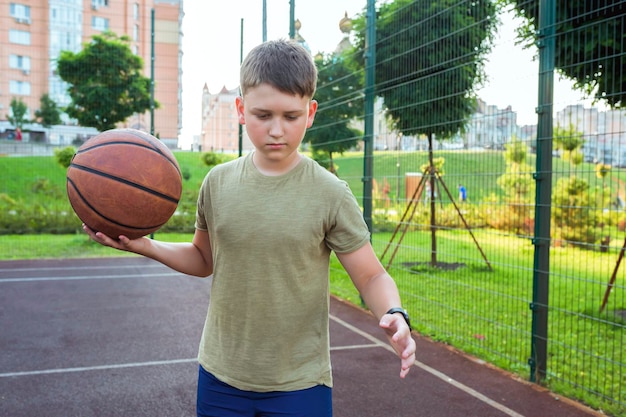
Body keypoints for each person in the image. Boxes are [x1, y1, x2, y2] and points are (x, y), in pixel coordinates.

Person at [83, 39, 415, 417]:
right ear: (241, 110)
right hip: (221, 377)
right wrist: (148, 247)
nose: (277, 130)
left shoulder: (330, 193)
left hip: (300, 383)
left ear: (311, 113)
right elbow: (203, 258)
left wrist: (394, 313)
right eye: (263, 115)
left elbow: (371, 275)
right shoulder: (217, 183)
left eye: (291, 116)